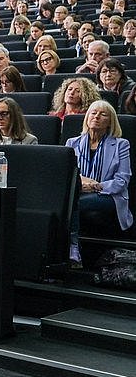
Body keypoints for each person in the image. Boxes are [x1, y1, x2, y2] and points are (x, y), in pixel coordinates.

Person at [65, 101, 133, 267]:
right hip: (79, 192)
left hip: (109, 196)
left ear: (110, 121)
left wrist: (96, 186)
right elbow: (66, 174)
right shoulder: (71, 143)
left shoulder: (120, 145)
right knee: (68, 200)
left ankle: (73, 246)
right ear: (87, 117)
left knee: (72, 203)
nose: (96, 116)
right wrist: (83, 183)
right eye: (93, 113)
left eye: (103, 114)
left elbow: (122, 181)